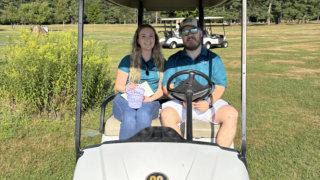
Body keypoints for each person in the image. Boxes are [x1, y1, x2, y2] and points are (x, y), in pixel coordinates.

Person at [161, 17, 238, 148]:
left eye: (193, 30)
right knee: (166, 114)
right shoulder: (174, 59)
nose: (189, 35)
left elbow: (220, 86)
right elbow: (167, 86)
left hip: (207, 103)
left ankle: (220, 156)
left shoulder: (213, 58)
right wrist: (182, 99)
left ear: (201, 32)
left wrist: (209, 102)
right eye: (185, 32)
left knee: (231, 114)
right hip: (182, 103)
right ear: (181, 36)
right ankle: (181, 154)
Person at [113, 24, 165, 140]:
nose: (148, 39)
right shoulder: (128, 60)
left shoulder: (161, 62)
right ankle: (125, 152)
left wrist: (149, 99)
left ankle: (142, 153)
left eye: (151, 36)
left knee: (143, 114)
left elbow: (161, 90)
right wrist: (127, 88)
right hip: (126, 98)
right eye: (143, 36)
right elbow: (118, 85)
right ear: (137, 40)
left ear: (155, 39)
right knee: (129, 115)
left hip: (150, 99)